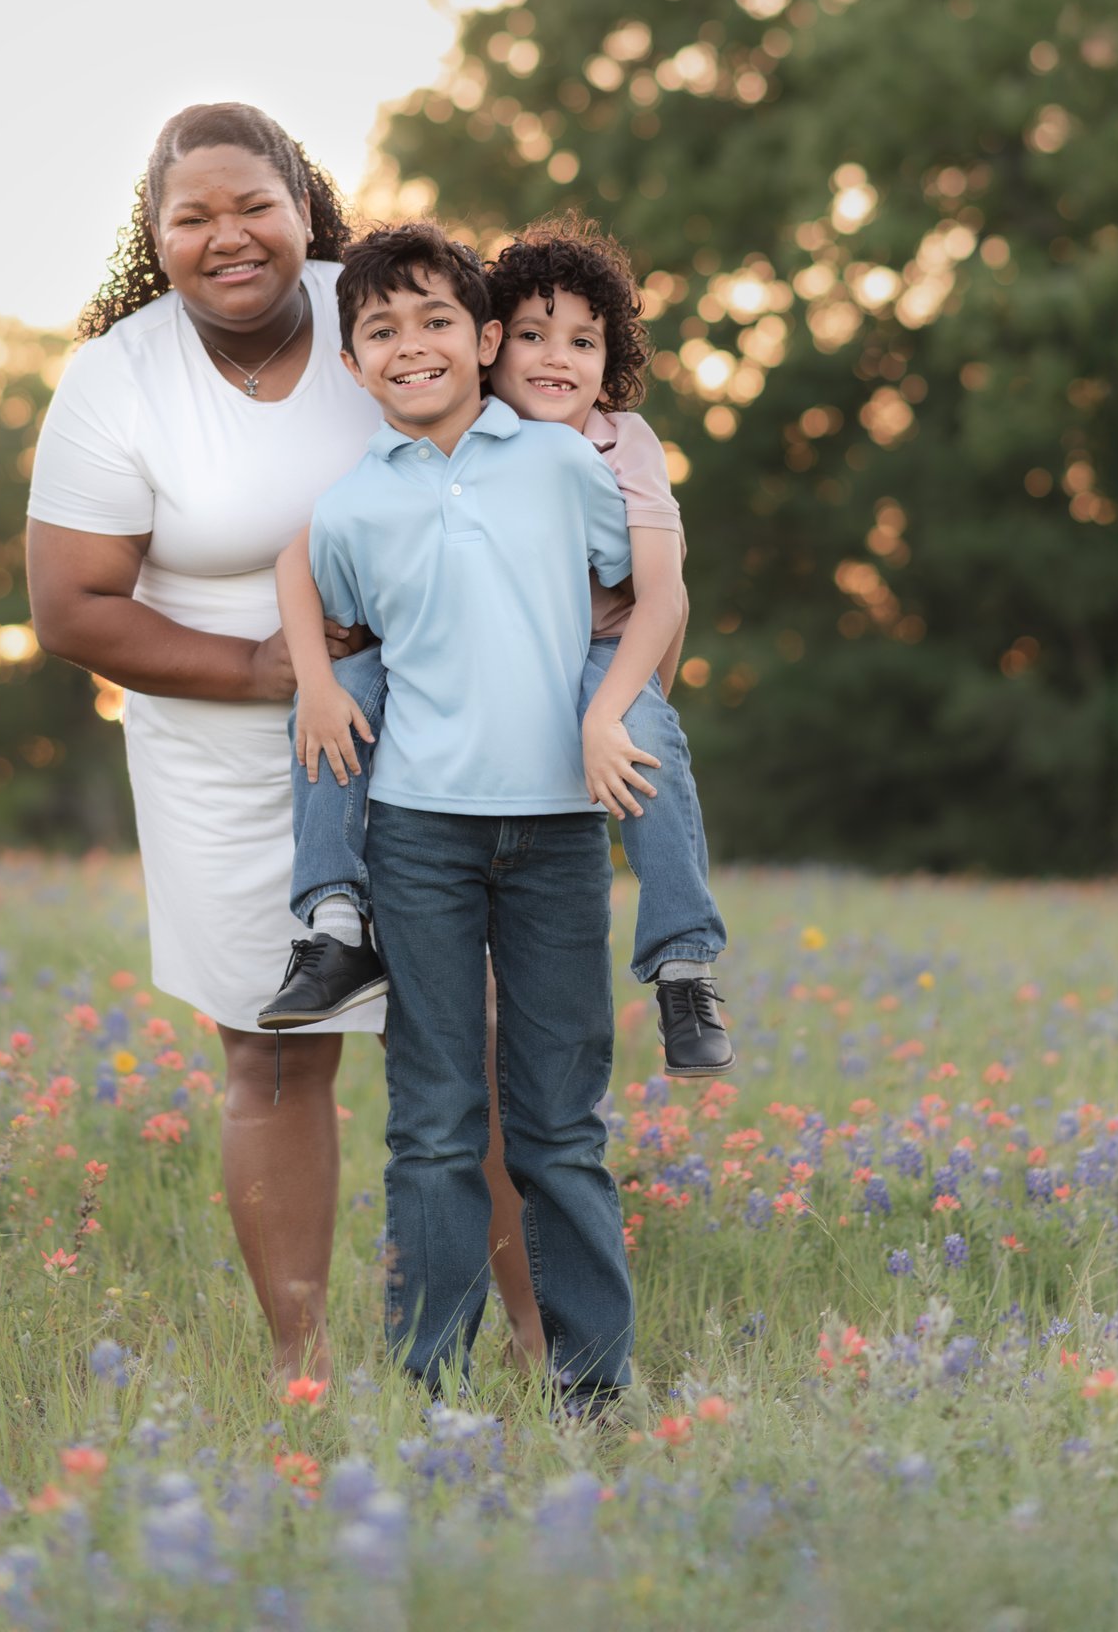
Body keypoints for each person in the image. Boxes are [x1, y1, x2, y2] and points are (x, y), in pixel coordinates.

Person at [25, 101, 384, 1385]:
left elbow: (542, 435)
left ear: (305, 208)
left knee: (492, 1039)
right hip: (228, 760)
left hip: (434, 733)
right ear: (156, 235)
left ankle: (545, 1355)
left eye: (253, 207)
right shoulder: (120, 374)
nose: (226, 237)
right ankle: (305, 1370)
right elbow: (71, 606)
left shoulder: (386, 309)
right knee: (276, 1051)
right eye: (192, 217)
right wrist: (257, 668)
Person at [272, 221, 637, 1400]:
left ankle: (592, 1388)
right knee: (431, 1123)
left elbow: (630, 594)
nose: (410, 344)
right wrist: (320, 679)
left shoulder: (558, 461)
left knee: (558, 1126)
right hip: (419, 831)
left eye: (436, 320)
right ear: (352, 364)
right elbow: (325, 615)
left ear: (485, 340)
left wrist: (618, 716)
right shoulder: (350, 509)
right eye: (380, 329)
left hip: (560, 833)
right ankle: (426, 1387)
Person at [261, 214, 733, 1080]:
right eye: (532, 336)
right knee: (336, 699)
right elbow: (302, 552)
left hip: (599, 649)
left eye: (584, 341)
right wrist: (317, 677)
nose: (557, 359)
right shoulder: (446, 424)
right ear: (491, 347)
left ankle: (683, 963)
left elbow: (664, 596)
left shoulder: (611, 446)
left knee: (646, 735)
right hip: (449, 665)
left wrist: (611, 710)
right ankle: (332, 926)